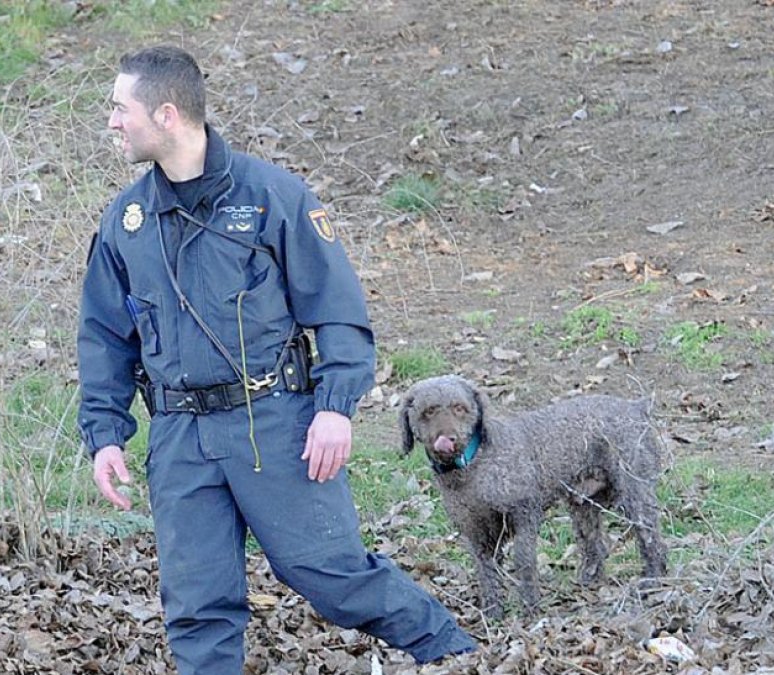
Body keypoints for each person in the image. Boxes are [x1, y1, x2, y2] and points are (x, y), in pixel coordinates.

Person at [77, 45, 476, 673]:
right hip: (179, 437)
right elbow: (104, 338)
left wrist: (335, 408)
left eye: (120, 108)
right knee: (197, 604)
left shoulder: (273, 198)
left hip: (274, 422)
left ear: (168, 114)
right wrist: (104, 435)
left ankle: (455, 653)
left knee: (332, 576)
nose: (111, 122)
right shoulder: (126, 222)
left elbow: (338, 311)